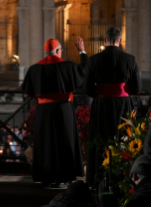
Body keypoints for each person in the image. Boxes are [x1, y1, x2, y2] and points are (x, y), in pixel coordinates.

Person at [22, 37, 88, 186]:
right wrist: (82, 51)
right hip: (63, 108)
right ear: (58, 51)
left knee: (45, 143)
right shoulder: (68, 66)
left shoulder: (34, 68)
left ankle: (46, 177)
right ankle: (63, 178)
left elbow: (28, 90)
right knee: (64, 142)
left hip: (43, 111)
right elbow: (85, 69)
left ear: (46, 52)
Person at [85, 27, 142, 185]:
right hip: (123, 106)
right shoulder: (130, 59)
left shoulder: (94, 59)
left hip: (102, 106)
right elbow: (136, 88)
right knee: (124, 139)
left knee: (100, 139)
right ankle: (122, 179)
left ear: (104, 40)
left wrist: (102, 91)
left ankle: (98, 180)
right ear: (120, 41)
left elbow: (87, 88)